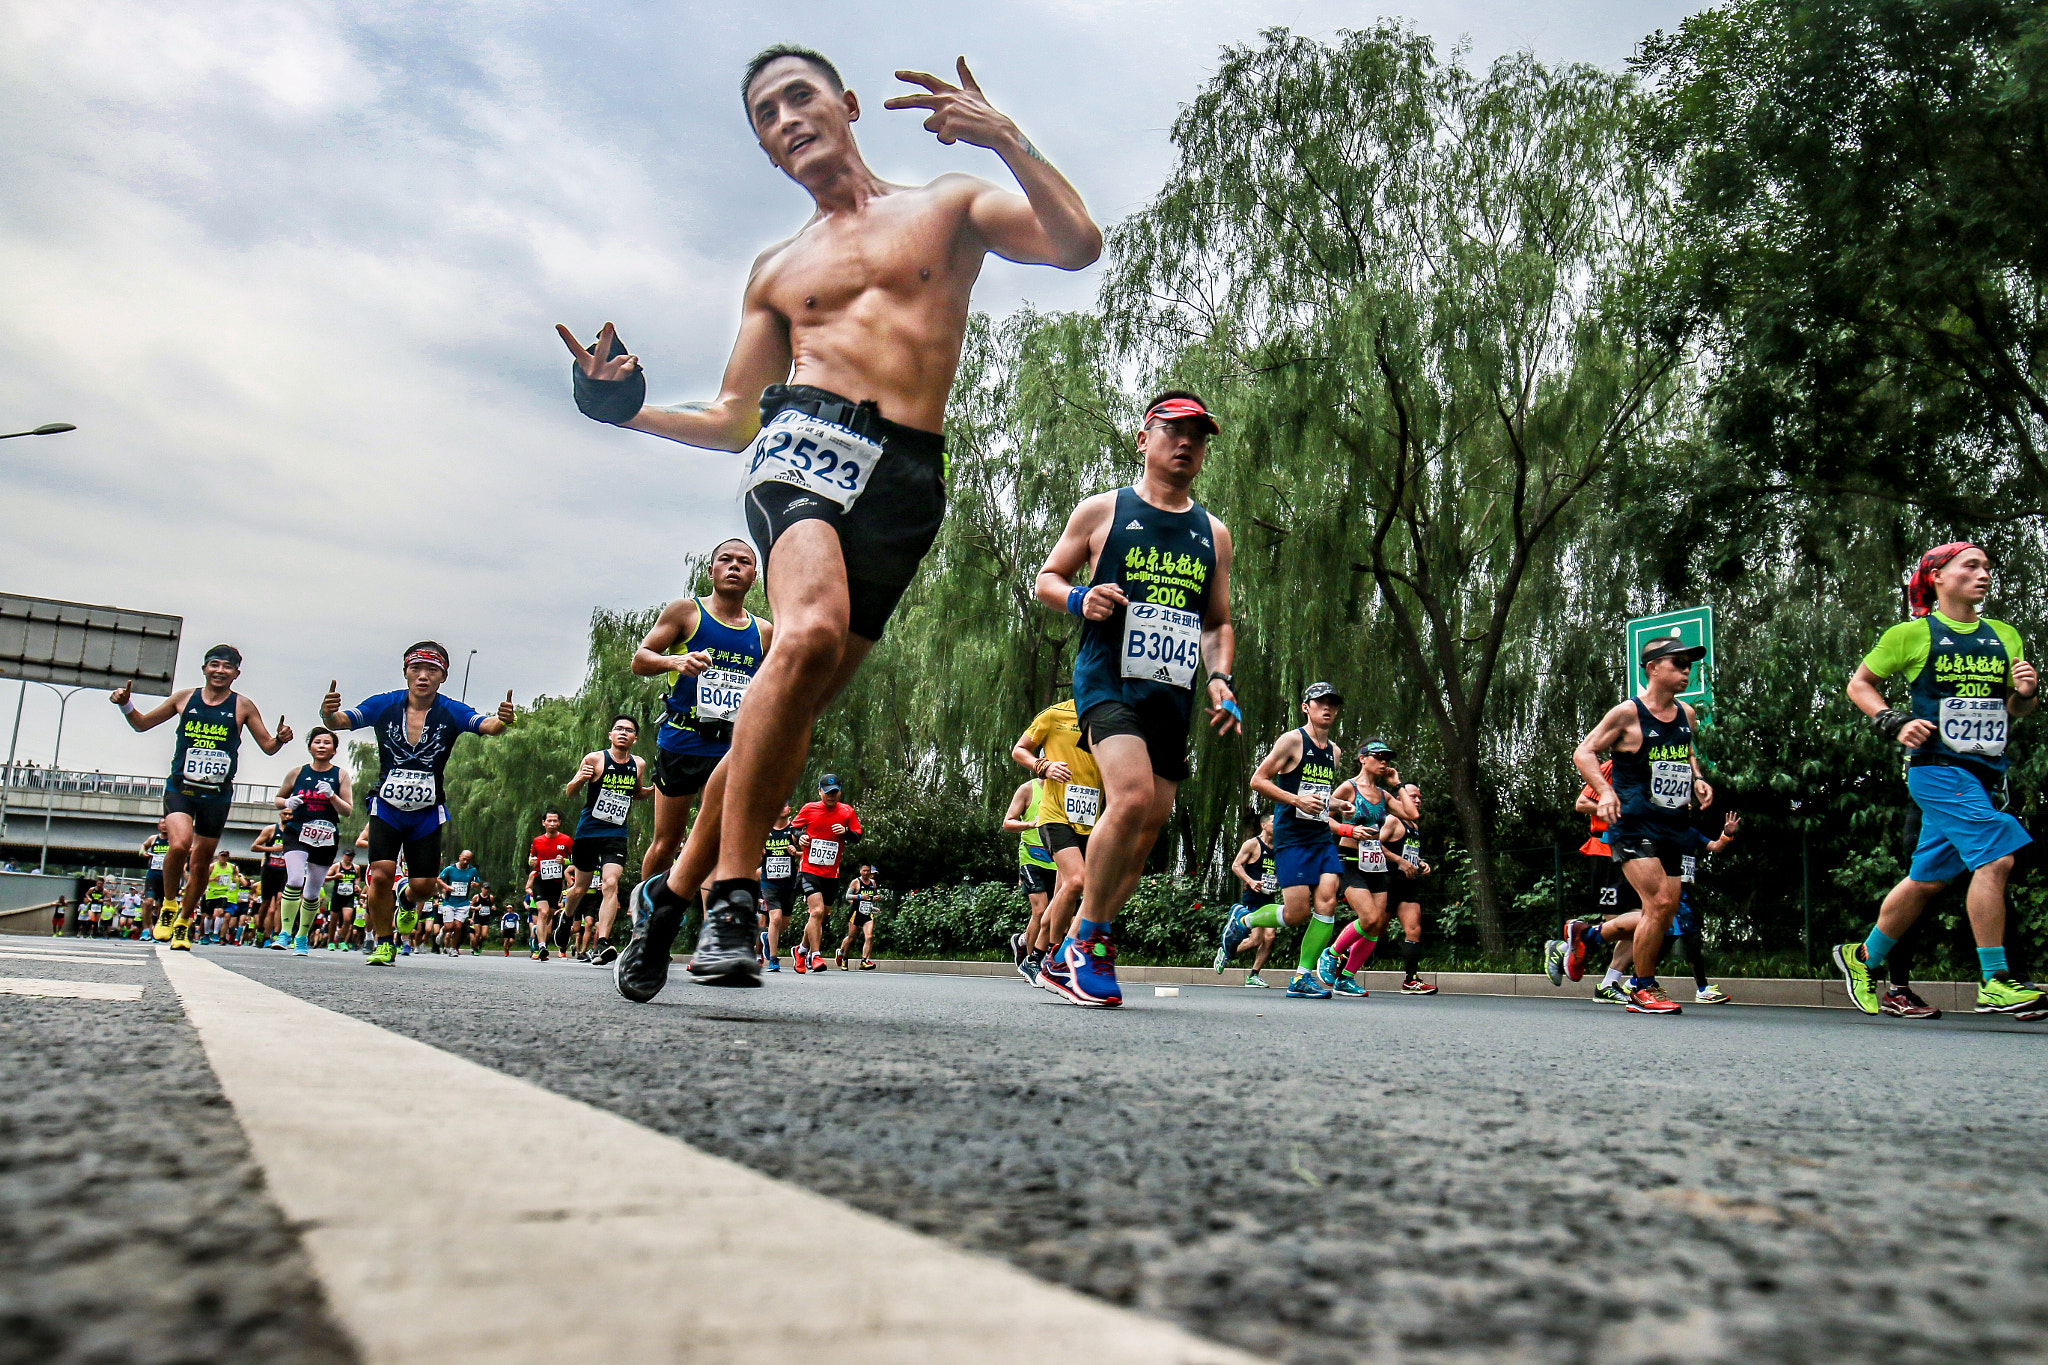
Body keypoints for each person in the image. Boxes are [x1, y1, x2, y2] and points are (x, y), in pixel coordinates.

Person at [587, 45, 1104, 999]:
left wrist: (1005, 137)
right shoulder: (777, 269)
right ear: (770, 155)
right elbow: (737, 416)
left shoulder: (949, 207)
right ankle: (734, 901)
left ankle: (670, 894)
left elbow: (1077, 244)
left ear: (847, 104)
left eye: (799, 97)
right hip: (804, 450)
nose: (786, 120)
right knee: (809, 630)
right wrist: (630, 409)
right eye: (765, 119)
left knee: (785, 706)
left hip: (907, 479)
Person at [1033, 391, 1239, 1007]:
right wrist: (1079, 599)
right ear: (1144, 436)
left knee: (1147, 828)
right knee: (1131, 797)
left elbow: (1216, 623)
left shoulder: (1214, 534)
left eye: (1199, 437)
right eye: (1176, 431)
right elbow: (1047, 577)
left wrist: (1221, 678)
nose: (1188, 444)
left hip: (1171, 695)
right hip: (1107, 681)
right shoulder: (1103, 511)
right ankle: (1093, 944)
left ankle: (1071, 945)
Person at [1836, 542, 2045, 1016]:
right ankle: (1996, 979)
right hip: (1937, 770)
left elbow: (2013, 712)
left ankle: (1865, 957)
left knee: (1926, 880)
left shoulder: (2005, 635)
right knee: (1997, 860)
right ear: (1937, 577)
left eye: (1987, 567)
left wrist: (2027, 693)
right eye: (1970, 566)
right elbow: (1859, 684)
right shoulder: (1911, 634)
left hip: (1983, 772)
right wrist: (1891, 720)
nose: (1983, 574)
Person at [320, 644, 516, 967]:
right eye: (416, 669)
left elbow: (488, 727)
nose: (423, 676)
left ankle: (407, 900)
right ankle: (384, 943)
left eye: (432, 671)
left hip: (426, 813)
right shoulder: (384, 704)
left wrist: (504, 720)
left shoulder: (452, 710)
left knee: (423, 887)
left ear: (442, 677)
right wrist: (327, 714)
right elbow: (340, 721)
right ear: (406, 672)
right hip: (386, 806)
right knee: (381, 874)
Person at [110, 645, 292, 951]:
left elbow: (268, 747)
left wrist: (280, 739)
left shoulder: (243, 706)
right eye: (214, 665)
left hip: (216, 796)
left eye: (227, 667)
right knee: (179, 844)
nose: (220, 671)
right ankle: (169, 905)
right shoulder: (184, 698)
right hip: (181, 788)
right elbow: (142, 724)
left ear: (236, 673)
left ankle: (183, 922)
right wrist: (126, 705)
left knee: (200, 863)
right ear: (205, 668)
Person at [1570, 635, 1715, 1015]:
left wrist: (1697, 778)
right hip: (1634, 823)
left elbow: (1685, 751)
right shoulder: (1627, 714)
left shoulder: (1687, 714)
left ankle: (1588, 936)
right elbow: (1584, 751)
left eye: (1689, 664)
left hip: (1674, 823)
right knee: (1660, 903)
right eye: (1678, 663)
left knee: (1666, 912)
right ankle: (1642, 987)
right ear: (1652, 668)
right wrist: (1603, 790)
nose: (1686, 670)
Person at [633, 543, 774, 888]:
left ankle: (717, 927)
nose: (734, 567)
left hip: (732, 749)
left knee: (726, 845)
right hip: (683, 739)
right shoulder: (686, 612)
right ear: (710, 571)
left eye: (744, 563)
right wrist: (673, 661)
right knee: (667, 842)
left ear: (754, 578)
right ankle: (646, 920)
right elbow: (640, 660)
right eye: (725, 560)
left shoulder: (765, 631)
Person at [1238, 684, 1348, 1000]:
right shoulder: (1292, 741)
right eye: (1320, 703)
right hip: (1291, 839)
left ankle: (1302, 976)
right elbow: (1258, 780)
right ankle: (1244, 919)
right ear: (1306, 707)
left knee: (1327, 901)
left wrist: (1337, 806)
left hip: (1320, 837)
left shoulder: (1335, 753)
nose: (1327, 708)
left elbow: (1321, 797)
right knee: (1296, 913)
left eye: (1332, 704)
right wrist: (1296, 801)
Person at [1009, 696, 1101, 984]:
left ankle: (1038, 958)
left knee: (1065, 896)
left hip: (1091, 820)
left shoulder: (1113, 718)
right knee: (1076, 881)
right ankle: (1048, 958)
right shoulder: (1055, 714)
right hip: (1055, 816)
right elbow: (1019, 750)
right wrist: (1043, 766)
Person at [560, 715, 653, 965]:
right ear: (610, 735)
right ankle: (567, 917)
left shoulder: (638, 764)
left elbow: (636, 793)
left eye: (629, 730)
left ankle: (601, 943)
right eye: (618, 729)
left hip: (616, 834)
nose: (623, 733)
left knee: (610, 883)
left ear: (635, 738)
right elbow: (570, 792)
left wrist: (655, 790)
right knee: (580, 888)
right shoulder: (595, 759)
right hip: (588, 833)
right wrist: (580, 778)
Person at [1324, 741, 1399, 992]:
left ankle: (1346, 978)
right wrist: (1350, 829)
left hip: (1375, 862)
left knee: (1376, 924)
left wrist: (1396, 784)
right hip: (1349, 859)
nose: (1384, 762)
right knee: (1368, 917)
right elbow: (1323, 817)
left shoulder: (1383, 794)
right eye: (1378, 757)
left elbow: (1412, 813)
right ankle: (1332, 953)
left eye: (1386, 758)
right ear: (1362, 758)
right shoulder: (1348, 787)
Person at [273, 728, 352, 956]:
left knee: (312, 891)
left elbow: (347, 810)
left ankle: (302, 937)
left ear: (334, 750)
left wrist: (332, 796)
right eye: (317, 742)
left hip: (325, 836)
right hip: (297, 831)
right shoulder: (297, 772)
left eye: (327, 743)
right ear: (310, 747)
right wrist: (288, 802)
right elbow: (278, 799)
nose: (321, 746)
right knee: (295, 878)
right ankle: (285, 932)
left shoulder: (340, 775)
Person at [790, 775, 862, 974]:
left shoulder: (847, 811)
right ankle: (816, 956)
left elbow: (857, 836)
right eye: (827, 792)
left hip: (831, 873)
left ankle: (801, 949)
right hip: (808, 870)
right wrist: (800, 838)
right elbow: (793, 829)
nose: (831, 796)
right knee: (817, 911)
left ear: (839, 791)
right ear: (819, 791)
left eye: (835, 792)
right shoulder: (809, 808)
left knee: (820, 917)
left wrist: (845, 831)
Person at [1379, 782, 1437, 994]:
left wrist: (1420, 862)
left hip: (1408, 884)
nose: (1418, 801)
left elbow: (1408, 852)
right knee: (1374, 929)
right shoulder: (1392, 820)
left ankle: (1410, 980)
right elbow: (1375, 844)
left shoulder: (1414, 826)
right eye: (1413, 796)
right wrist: (1399, 861)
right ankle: (1341, 959)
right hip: (1387, 881)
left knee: (1414, 929)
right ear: (1399, 799)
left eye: (1419, 797)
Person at [1001, 777, 1057, 981]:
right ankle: (1032, 965)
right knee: (1040, 910)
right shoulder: (1027, 789)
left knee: (1059, 914)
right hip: (1032, 857)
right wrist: (1030, 824)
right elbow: (1007, 823)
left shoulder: (1067, 790)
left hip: (1059, 858)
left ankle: (1024, 942)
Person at [1216, 813, 1278, 986]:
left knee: (1270, 937)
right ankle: (1226, 951)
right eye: (1274, 822)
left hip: (1270, 898)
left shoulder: (1279, 847)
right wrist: (1250, 881)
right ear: (1264, 825)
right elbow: (1236, 865)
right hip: (1253, 898)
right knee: (1255, 940)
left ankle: (1253, 975)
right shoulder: (1252, 844)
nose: (1278, 824)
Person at [526, 810, 573, 962]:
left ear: (559, 823)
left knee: (549, 916)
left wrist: (564, 862)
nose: (552, 824)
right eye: (549, 821)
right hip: (540, 880)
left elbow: (575, 861)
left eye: (555, 821)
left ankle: (539, 938)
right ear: (543, 823)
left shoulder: (566, 840)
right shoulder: (537, 841)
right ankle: (541, 946)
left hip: (556, 883)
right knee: (543, 911)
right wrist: (531, 862)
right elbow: (532, 858)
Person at [756, 804, 798, 971]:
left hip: (789, 883)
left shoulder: (794, 829)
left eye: (785, 804)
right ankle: (773, 958)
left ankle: (767, 937)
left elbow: (805, 852)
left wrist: (795, 851)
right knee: (776, 918)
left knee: (784, 924)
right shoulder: (765, 831)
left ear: (789, 809)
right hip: (769, 882)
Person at [252, 822, 289, 949]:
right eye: (285, 814)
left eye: (290, 814)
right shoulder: (271, 830)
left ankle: (276, 934)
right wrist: (273, 849)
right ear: (281, 814)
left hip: (284, 871)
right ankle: (261, 930)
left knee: (280, 901)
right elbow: (254, 847)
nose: (288, 817)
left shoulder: (295, 830)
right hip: (269, 870)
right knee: (266, 904)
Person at [837, 863, 882, 968]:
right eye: (864, 871)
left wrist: (875, 900)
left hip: (867, 914)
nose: (866, 873)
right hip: (856, 913)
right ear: (860, 871)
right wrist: (859, 896)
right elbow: (847, 896)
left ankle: (864, 960)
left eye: (868, 871)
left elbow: (872, 896)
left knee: (869, 936)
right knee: (851, 938)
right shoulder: (856, 882)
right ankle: (844, 958)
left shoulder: (873, 883)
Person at [439, 850, 484, 955]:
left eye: (468, 860)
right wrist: (446, 887)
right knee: (449, 927)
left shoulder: (472, 870)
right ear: (459, 857)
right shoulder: (450, 869)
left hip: (463, 903)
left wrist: (474, 884)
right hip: (449, 902)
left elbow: (477, 882)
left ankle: (453, 948)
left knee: (458, 926)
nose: (465, 862)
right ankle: (443, 931)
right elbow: (439, 878)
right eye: (464, 859)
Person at [140, 822, 171, 940]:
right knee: (148, 902)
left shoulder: (173, 839)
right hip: (153, 875)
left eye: (166, 823)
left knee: (160, 906)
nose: (164, 825)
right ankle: (146, 930)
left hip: (167, 877)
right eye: (162, 823)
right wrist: (142, 852)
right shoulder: (153, 838)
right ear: (158, 826)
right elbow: (143, 846)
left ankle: (156, 932)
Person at [202, 851, 239, 945]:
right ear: (218, 857)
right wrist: (213, 879)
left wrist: (234, 878)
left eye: (225, 856)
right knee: (209, 915)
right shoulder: (213, 866)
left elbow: (235, 873)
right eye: (222, 856)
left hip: (223, 893)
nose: (223, 858)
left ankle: (215, 933)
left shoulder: (232, 867)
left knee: (220, 912)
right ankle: (206, 934)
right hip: (212, 893)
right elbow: (203, 877)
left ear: (228, 858)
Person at [328, 852, 360, 951]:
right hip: (337, 896)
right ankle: (330, 941)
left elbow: (358, 877)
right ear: (343, 856)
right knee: (334, 920)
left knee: (347, 920)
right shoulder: (336, 866)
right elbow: (325, 877)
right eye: (348, 856)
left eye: (351, 856)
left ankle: (341, 939)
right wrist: (335, 877)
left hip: (349, 896)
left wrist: (356, 884)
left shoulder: (356, 867)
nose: (349, 858)